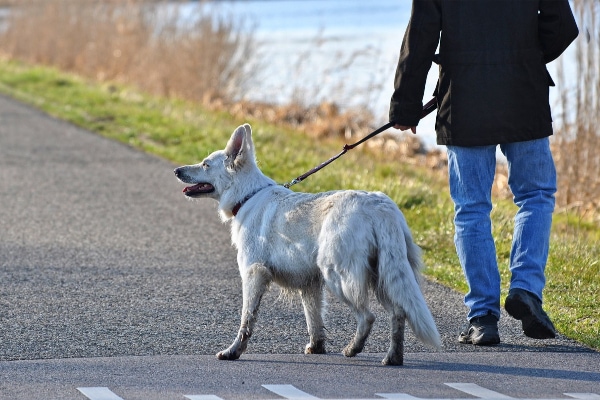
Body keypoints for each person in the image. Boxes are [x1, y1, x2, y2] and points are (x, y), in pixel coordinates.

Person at [389, 0, 579, 345]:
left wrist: (405, 104)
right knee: (536, 196)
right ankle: (526, 289)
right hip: (525, 94)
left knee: (472, 208)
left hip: (464, 101)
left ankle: (482, 318)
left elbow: (420, 37)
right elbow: (563, 27)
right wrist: (525, 57)